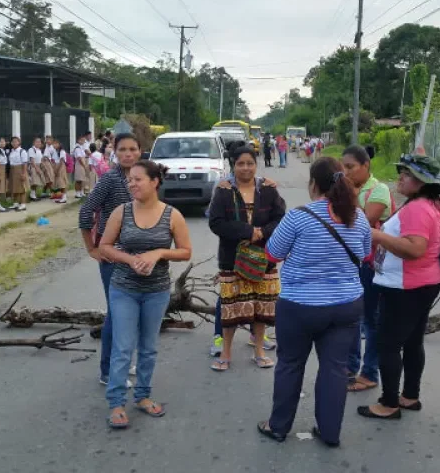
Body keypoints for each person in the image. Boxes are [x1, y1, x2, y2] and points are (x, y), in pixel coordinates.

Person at [257, 157, 370, 447]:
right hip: (346, 306)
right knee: (335, 368)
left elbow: (272, 254)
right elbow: (366, 255)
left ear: (314, 184)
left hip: (299, 307)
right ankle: (330, 432)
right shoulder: (358, 218)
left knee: (290, 365)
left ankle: (278, 426)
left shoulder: (298, 217)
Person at [99, 160, 192, 429]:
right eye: (129, 180)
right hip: (124, 290)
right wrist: (129, 260)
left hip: (156, 292)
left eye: (138, 179)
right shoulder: (122, 212)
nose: (132, 184)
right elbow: (104, 246)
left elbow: (185, 251)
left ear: (155, 182)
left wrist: (159, 252)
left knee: (149, 348)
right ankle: (116, 402)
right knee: (123, 347)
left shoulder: (171, 215)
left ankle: (142, 396)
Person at [357, 153, 440, 421]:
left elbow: (415, 248)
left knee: (388, 344)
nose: (400, 178)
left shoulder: (418, 209)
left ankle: (389, 402)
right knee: (412, 341)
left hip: (406, 286)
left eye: (406, 174)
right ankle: (409, 395)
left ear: (420, 181)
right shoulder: (429, 204)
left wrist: (378, 235)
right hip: (421, 283)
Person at [208, 147, 286, 372]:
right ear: (234, 165)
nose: (245, 168)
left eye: (250, 163)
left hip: (264, 258)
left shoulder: (269, 190)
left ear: (256, 164)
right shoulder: (224, 191)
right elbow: (216, 222)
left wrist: (262, 232)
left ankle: (259, 351)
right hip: (232, 259)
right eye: (241, 164)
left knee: (261, 306)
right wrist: (246, 231)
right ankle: (226, 353)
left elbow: (281, 218)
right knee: (231, 307)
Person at [79, 132, 142, 387]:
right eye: (123, 149)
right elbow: (86, 212)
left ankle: (123, 362)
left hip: (137, 257)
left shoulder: (142, 178)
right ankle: (107, 371)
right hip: (112, 257)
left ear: (140, 151)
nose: (128, 154)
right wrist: (92, 249)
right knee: (117, 314)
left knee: (134, 312)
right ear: (114, 151)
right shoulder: (109, 180)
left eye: (133, 149)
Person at [341, 146, 395, 393]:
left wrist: (349, 195)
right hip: (351, 262)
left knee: (371, 320)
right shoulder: (349, 189)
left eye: (351, 167)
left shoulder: (378, 190)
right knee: (353, 317)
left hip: (372, 264)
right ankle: (351, 365)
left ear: (366, 165)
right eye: (344, 167)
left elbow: (359, 223)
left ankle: (370, 372)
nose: (346, 172)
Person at [8, 136, 29, 211]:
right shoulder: (11, 151)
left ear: (19, 142)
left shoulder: (22, 151)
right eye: (12, 141)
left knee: (22, 188)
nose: (14, 143)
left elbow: (25, 163)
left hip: (20, 170)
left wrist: (23, 173)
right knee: (15, 187)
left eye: (16, 141)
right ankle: (15, 203)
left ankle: (23, 204)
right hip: (13, 170)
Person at [27, 137, 45, 201]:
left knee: (37, 182)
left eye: (39, 142)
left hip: (38, 166)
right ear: (34, 142)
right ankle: (32, 195)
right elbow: (32, 160)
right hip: (33, 166)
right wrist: (37, 169)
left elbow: (40, 160)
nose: (38, 143)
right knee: (34, 181)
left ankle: (33, 194)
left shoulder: (39, 150)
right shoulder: (31, 149)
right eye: (37, 142)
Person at [73, 133, 90, 199]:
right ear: (78, 140)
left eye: (84, 140)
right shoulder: (77, 148)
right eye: (82, 140)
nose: (83, 141)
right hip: (79, 164)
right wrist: (84, 165)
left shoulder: (81, 147)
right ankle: (77, 192)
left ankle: (80, 191)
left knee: (81, 179)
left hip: (82, 163)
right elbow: (79, 158)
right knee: (78, 179)